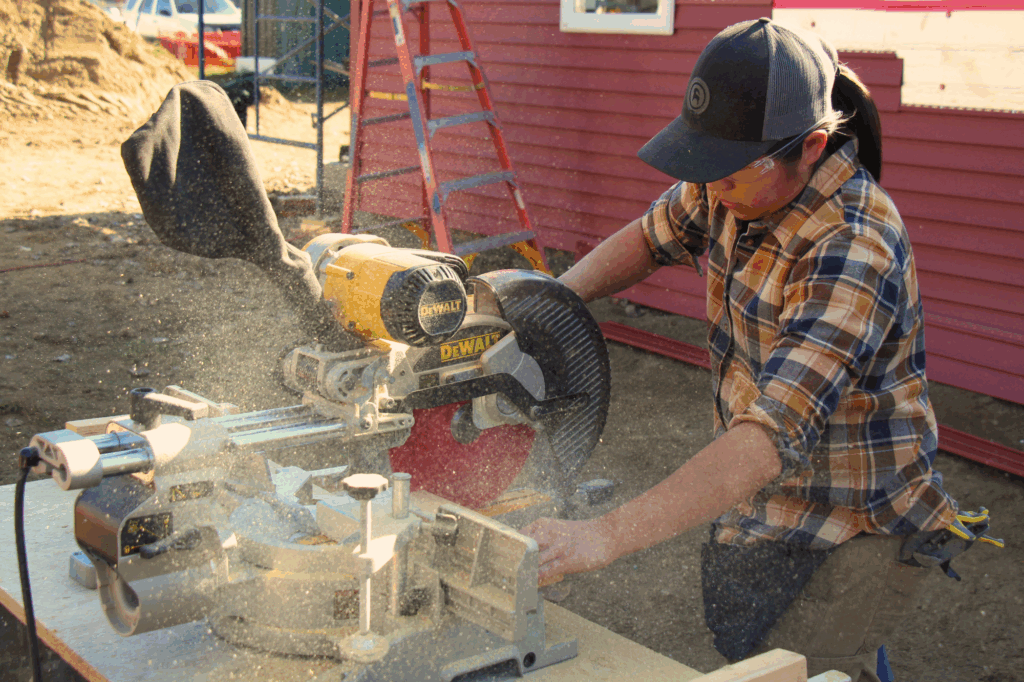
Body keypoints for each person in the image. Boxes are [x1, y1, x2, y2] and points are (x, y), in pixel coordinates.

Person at [523, 18, 966, 682]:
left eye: (726, 176)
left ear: (811, 146)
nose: (712, 190)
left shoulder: (852, 246)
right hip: (769, 504)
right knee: (757, 649)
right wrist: (549, 304)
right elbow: (651, 236)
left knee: (815, 668)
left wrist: (602, 536)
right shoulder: (739, 176)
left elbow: (768, 438)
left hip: (856, 521)